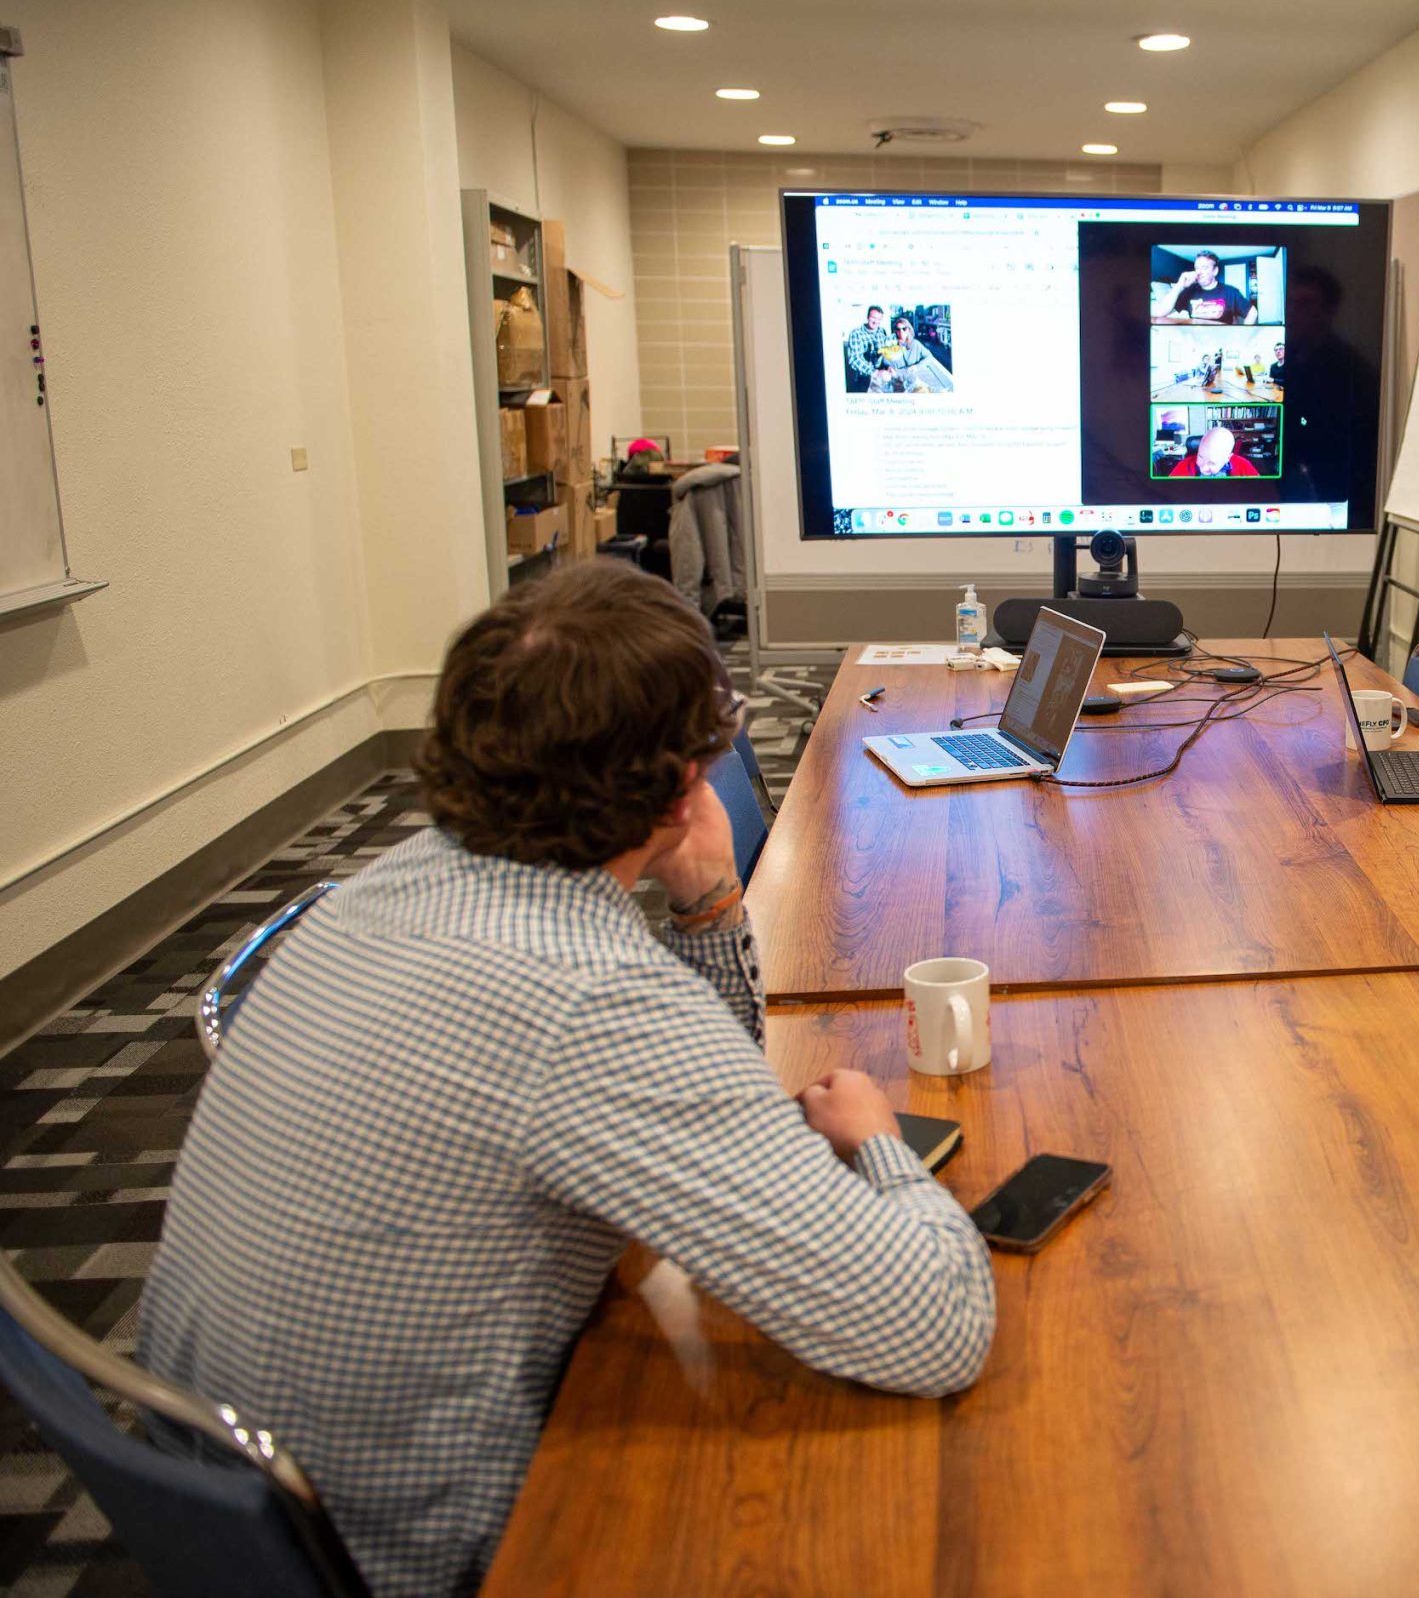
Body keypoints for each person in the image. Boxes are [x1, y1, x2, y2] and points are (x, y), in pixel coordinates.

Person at [136, 563, 996, 1597]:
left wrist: (709, 903)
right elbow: (931, 1326)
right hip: (401, 1551)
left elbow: (690, 1087)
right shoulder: (589, 999)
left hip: (215, 1495)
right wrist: (878, 1145)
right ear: (684, 786)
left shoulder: (379, 885)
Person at [1158, 250, 1256, 323]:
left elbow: (1253, 313)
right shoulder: (1189, 291)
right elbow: (1161, 312)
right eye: (1197, 268)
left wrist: (1241, 333)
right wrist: (1179, 286)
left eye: (1204, 268)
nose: (1199, 272)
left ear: (1215, 271)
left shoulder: (1231, 292)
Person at [871, 314, 955, 393]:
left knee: (930, 391)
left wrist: (916, 366)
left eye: (904, 329)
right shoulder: (890, 344)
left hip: (913, 379)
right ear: (895, 331)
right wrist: (888, 367)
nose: (901, 332)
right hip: (895, 380)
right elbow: (884, 361)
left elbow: (929, 357)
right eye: (898, 329)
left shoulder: (915, 344)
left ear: (908, 330)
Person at [1166, 422, 1260, 478]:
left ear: (1227, 458)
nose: (1203, 468)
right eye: (1201, 457)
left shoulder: (1244, 466)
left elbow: (1261, 491)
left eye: (1212, 463)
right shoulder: (1184, 466)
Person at [842, 304, 888, 392]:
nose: (876, 321)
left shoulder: (882, 332)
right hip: (862, 379)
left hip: (880, 377)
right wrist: (875, 372)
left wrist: (888, 366)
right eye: (873, 318)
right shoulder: (856, 334)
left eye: (879, 319)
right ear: (867, 317)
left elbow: (885, 353)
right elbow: (855, 359)